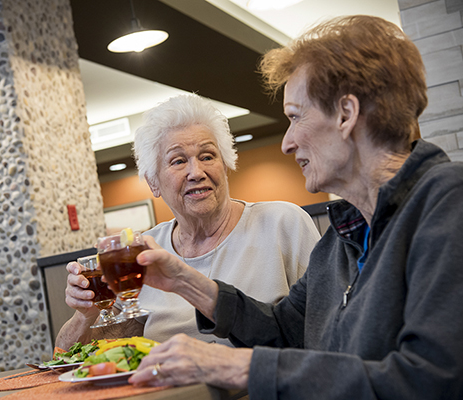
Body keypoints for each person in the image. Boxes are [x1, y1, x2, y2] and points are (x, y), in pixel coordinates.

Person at [129, 15, 463, 399]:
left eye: (295, 117)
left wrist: (240, 367)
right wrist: (184, 280)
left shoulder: (447, 202)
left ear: (346, 114)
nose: (287, 142)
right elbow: (286, 329)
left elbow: (431, 381)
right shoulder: (345, 235)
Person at [55, 94, 321, 349]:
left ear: (225, 165)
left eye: (207, 156)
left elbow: (327, 330)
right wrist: (86, 314)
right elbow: (88, 354)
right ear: (153, 183)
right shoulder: (144, 251)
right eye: (178, 161)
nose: (197, 172)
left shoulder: (283, 224)